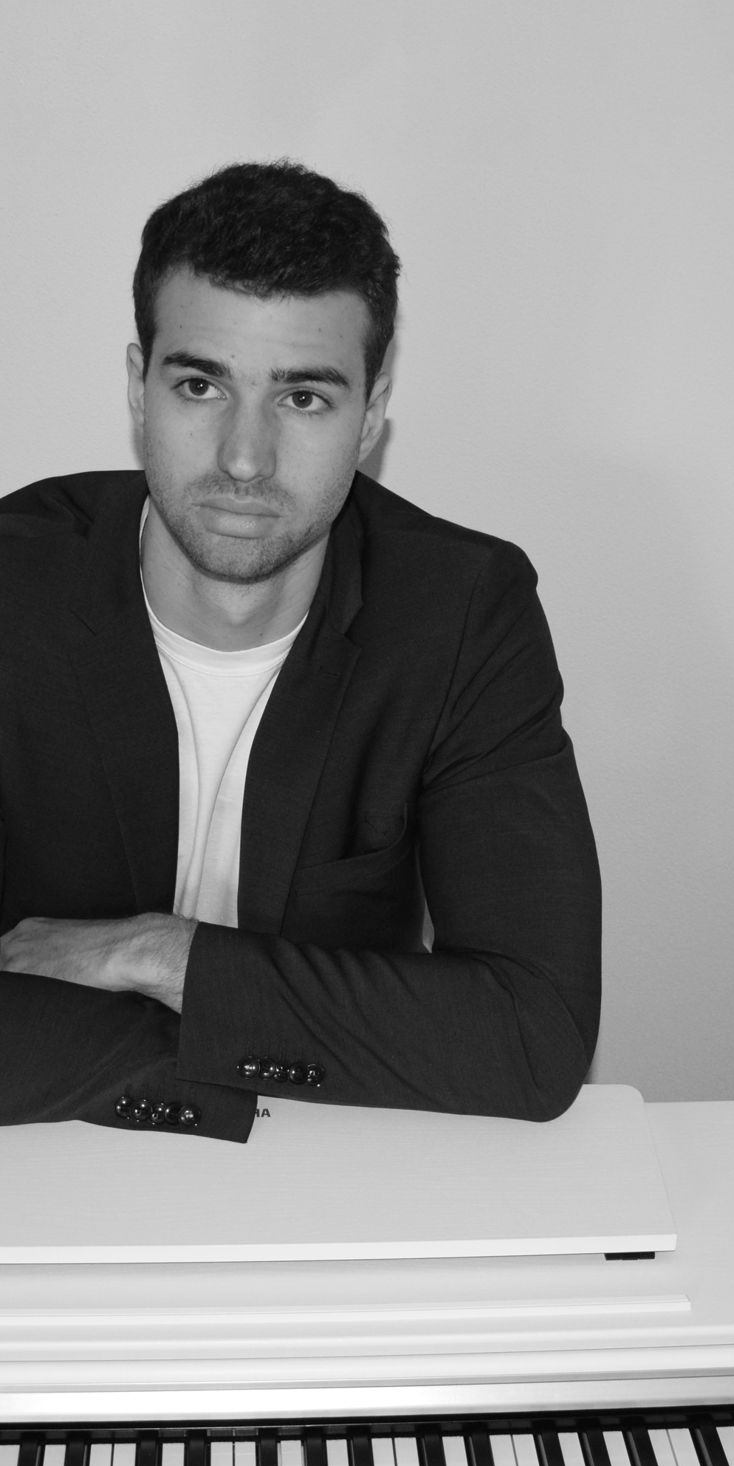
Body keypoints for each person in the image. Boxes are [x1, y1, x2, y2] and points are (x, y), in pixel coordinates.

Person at [0, 161, 601, 1142]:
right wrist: (235, 1043)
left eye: (303, 398)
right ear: (136, 389)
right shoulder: (13, 588)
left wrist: (168, 958)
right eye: (201, 384)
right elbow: (467, 1037)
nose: (245, 458)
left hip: (340, 1188)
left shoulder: (460, 615)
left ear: (373, 412)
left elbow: (531, 1039)